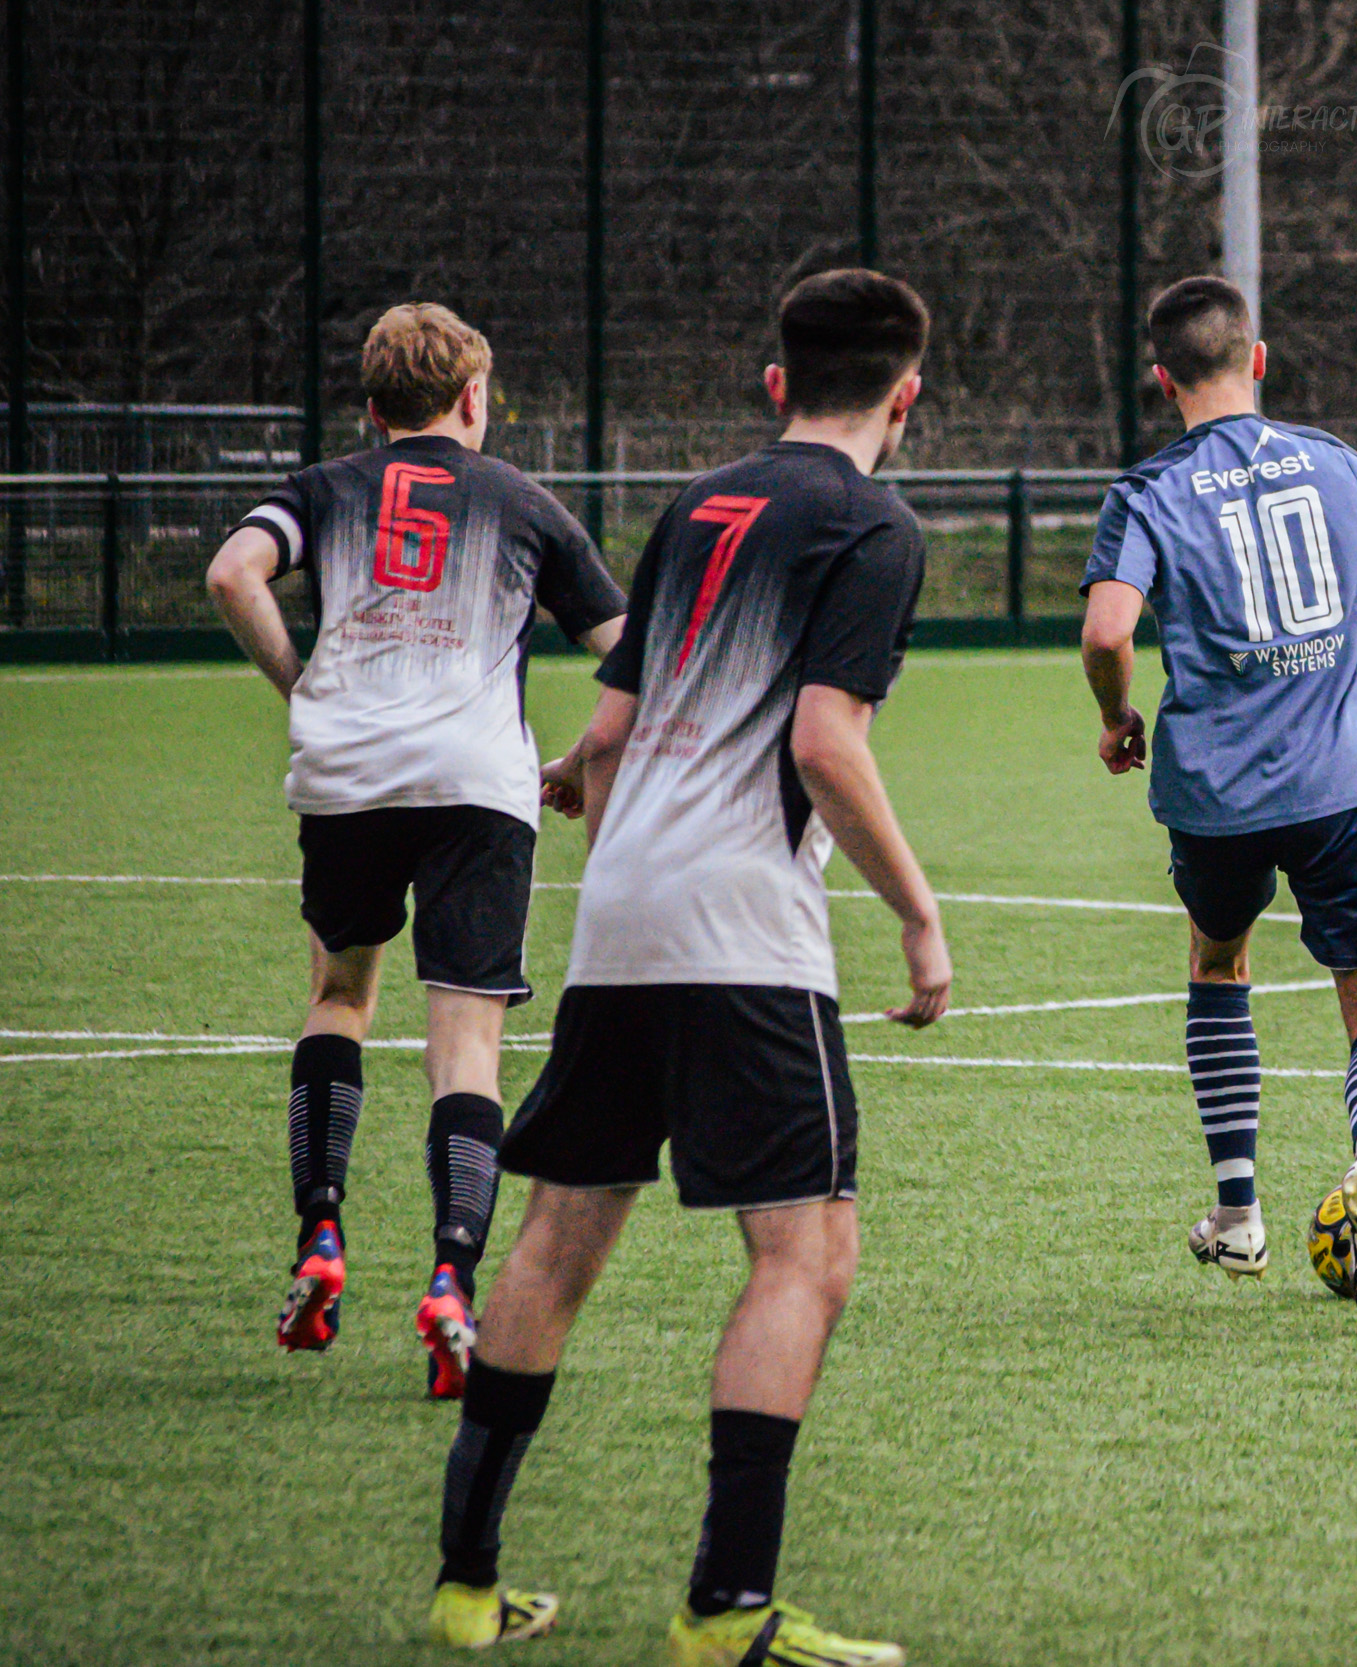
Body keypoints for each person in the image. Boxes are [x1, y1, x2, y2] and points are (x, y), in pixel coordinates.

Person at [424, 270, 949, 1663]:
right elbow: (827, 740)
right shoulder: (875, 525)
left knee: (559, 1235)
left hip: (618, 914)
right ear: (906, 393)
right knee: (807, 1253)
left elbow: (613, 716)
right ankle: (727, 1605)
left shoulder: (698, 504)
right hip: (745, 935)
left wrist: (574, 774)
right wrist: (916, 910)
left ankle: (466, 1579)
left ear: (777, 383)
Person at [206, 302, 626, 1399]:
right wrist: (580, 757)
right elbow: (634, 656)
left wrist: (301, 685)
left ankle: (321, 1237)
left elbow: (229, 574)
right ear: (474, 396)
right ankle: (451, 1276)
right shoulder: (525, 503)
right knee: (466, 1045)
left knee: (340, 995)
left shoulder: (322, 489)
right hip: (476, 784)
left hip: (345, 776)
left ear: (371, 404)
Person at [1081, 275, 1357, 1325]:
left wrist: (1115, 714)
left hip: (1213, 792)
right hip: (1345, 781)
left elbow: (1108, 631)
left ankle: (1237, 1210)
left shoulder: (1148, 490)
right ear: (1259, 357)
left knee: (1216, 961)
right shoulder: (1336, 462)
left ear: (1162, 379)